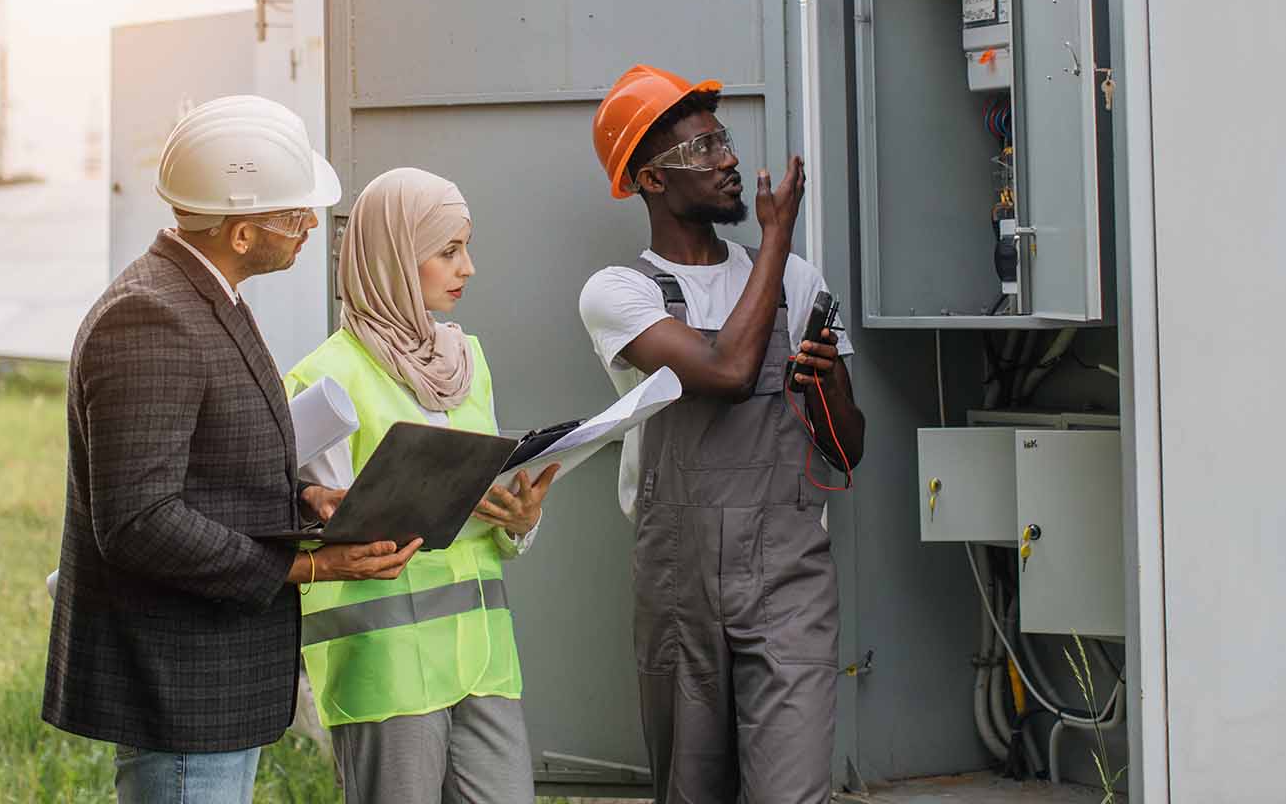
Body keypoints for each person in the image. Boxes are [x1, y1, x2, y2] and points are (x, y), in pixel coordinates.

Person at [44, 96, 424, 804]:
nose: (312, 224)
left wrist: (306, 499)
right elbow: (139, 522)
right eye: (294, 214)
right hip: (183, 678)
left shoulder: (204, 294)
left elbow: (202, 470)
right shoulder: (151, 317)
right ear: (243, 233)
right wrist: (308, 565)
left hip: (212, 671)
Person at [577, 65, 867, 804]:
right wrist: (773, 239)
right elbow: (727, 369)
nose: (728, 159)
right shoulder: (621, 294)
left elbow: (848, 447)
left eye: (724, 141)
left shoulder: (796, 279)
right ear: (649, 180)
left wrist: (829, 376)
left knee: (790, 793)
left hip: (788, 578)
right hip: (682, 586)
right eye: (701, 151)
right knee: (691, 792)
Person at [284, 166, 557, 804]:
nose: (468, 268)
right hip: (385, 670)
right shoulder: (324, 381)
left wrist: (520, 522)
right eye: (448, 250)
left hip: (484, 660)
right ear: (393, 259)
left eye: (467, 246)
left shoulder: (470, 363)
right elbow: (319, 531)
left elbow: (483, 525)